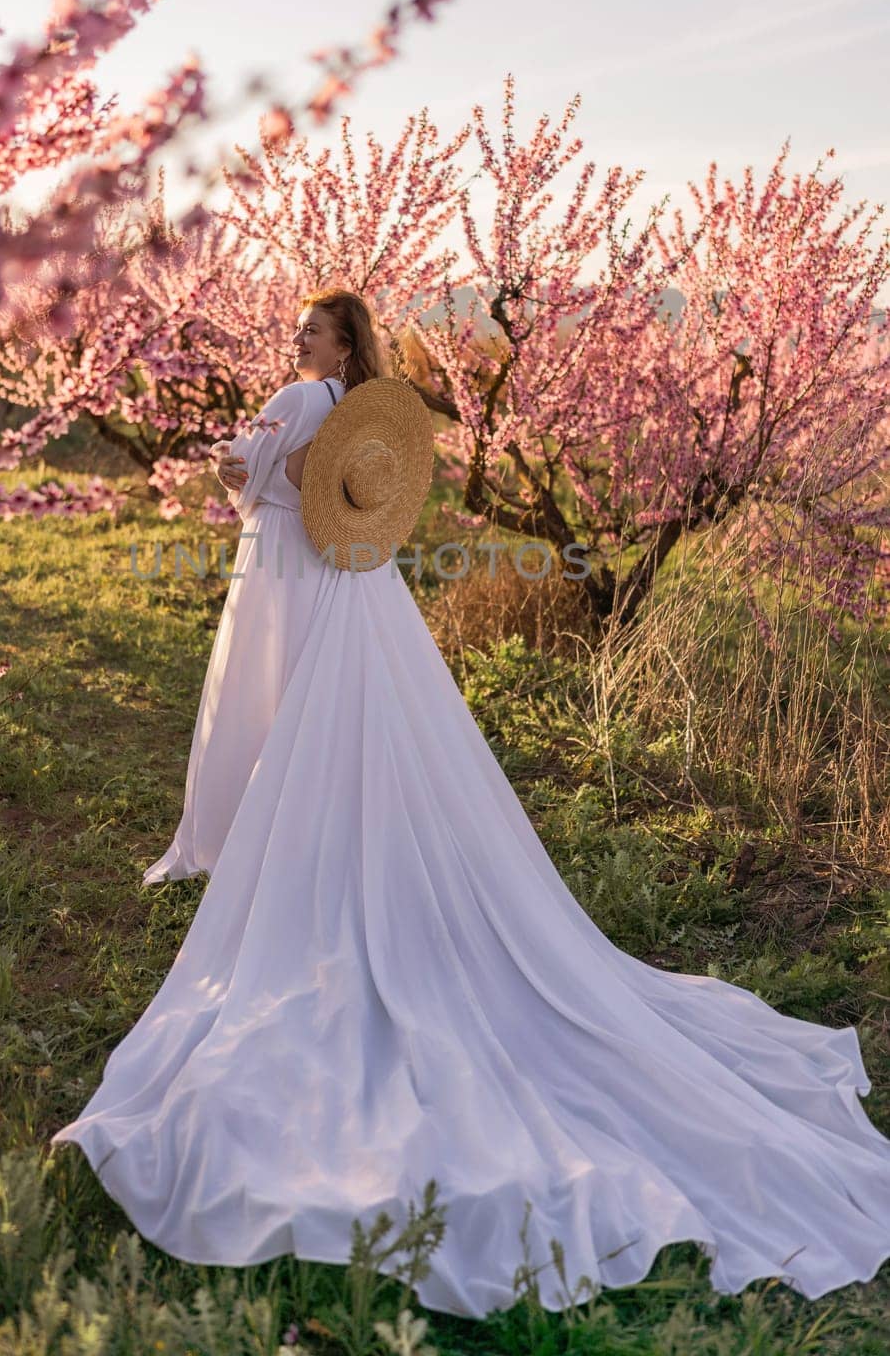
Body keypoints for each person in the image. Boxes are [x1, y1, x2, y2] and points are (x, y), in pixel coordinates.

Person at [51, 289, 890, 1320]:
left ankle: (272, 844)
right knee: (348, 724)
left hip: (286, 571)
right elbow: (341, 484)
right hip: (348, 575)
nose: (297, 339)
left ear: (338, 341)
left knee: (272, 711)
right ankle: (325, 833)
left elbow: (242, 467)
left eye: (311, 328)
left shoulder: (292, 395)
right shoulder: (351, 402)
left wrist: (230, 462)